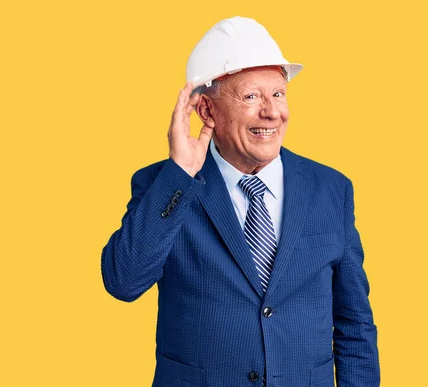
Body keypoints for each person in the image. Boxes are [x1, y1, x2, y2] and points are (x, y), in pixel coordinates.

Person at [101, 16, 380, 387]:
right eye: (251, 96)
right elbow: (123, 281)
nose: (272, 112)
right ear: (206, 111)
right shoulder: (164, 186)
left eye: (278, 94)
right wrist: (180, 174)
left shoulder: (331, 189)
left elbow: (354, 323)